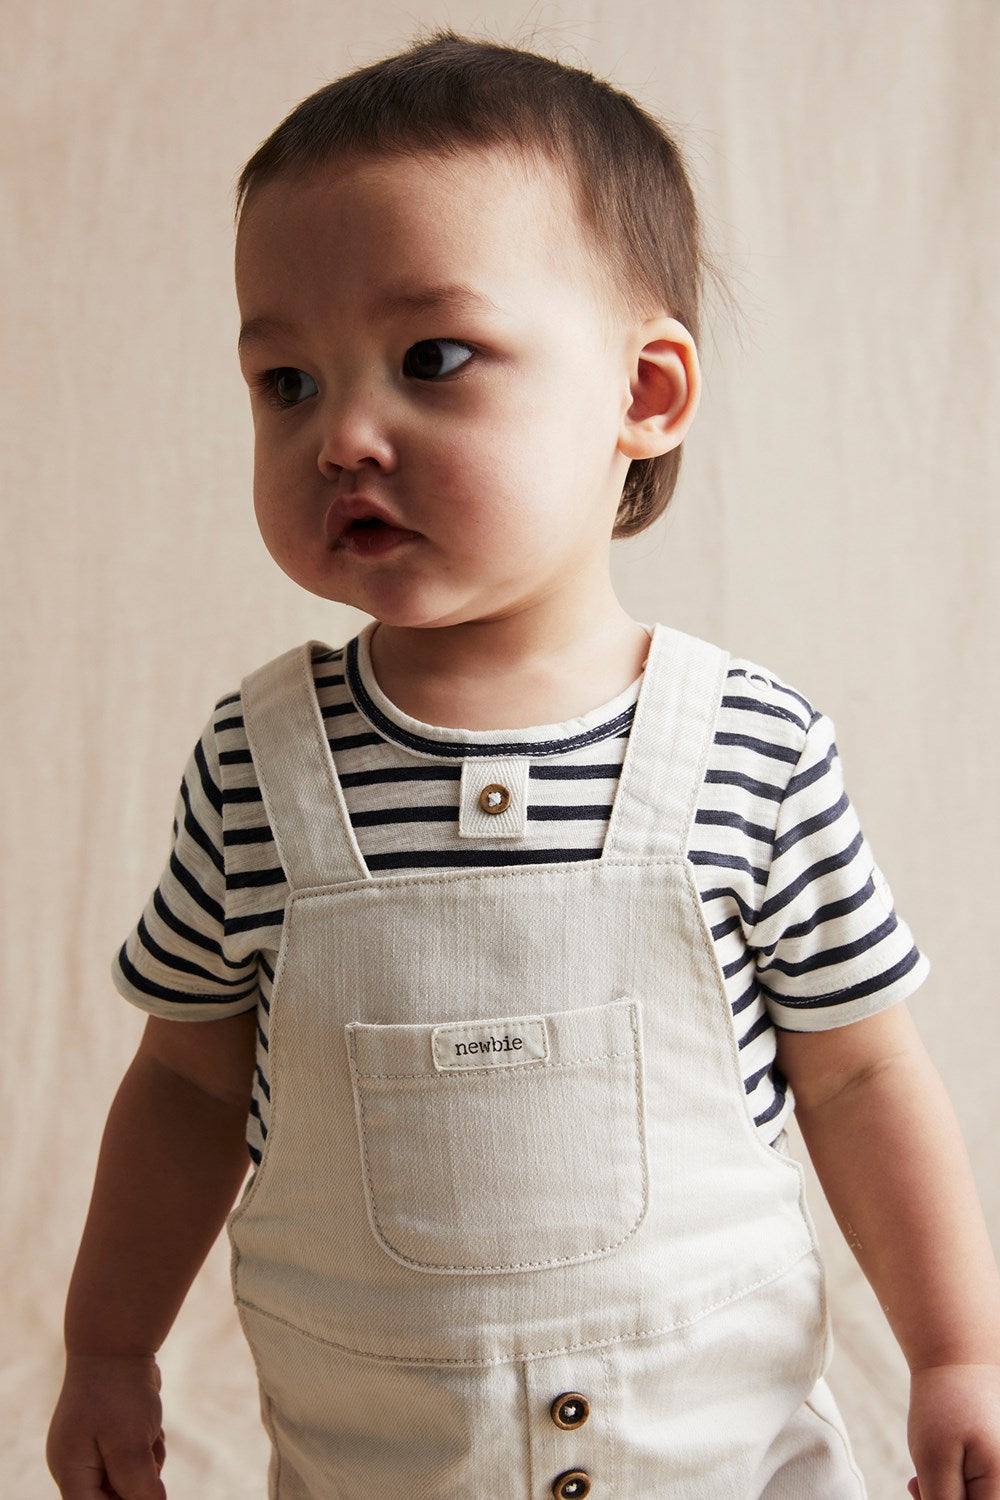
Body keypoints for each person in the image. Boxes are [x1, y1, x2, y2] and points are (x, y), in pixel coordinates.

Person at [46, 29, 1000, 1500]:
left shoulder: (752, 749)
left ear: (648, 394)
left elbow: (864, 1072)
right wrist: (108, 1347)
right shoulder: (259, 765)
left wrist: (958, 1356)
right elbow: (183, 1081)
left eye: (432, 359)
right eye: (285, 380)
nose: (343, 434)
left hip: (722, 1465)